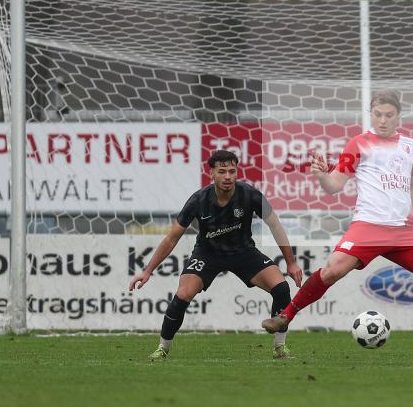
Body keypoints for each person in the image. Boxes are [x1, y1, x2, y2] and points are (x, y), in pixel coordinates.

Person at [261, 90, 413, 364]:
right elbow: (335, 186)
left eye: (388, 115)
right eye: (377, 114)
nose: (382, 120)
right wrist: (322, 176)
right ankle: (286, 316)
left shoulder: (410, 146)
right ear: (371, 114)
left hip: (404, 230)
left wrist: (411, 212)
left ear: (398, 116)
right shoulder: (358, 144)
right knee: (333, 270)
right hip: (368, 226)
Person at [129, 150, 303, 361]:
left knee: (281, 287)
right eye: (222, 172)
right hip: (207, 254)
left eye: (232, 171)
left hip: (243, 252)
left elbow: (275, 225)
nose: (228, 176)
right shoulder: (198, 200)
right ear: (211, 173)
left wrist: (291, 263)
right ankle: (162, 348)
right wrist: (148, 271)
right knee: (183, 294)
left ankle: (279, 348)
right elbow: (172, 238)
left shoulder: (251, 195)